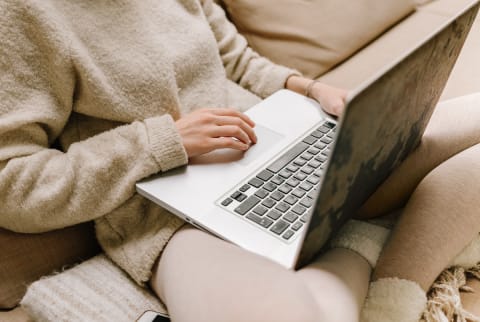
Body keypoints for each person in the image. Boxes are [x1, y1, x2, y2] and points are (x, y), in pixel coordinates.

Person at [1, 0, 480, 321]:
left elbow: (234, 59)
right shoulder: (23, 16)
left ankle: (368, 248)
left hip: (276, 147)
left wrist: (307, 88)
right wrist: (161, 141)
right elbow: (13, 183)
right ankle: (365, 246)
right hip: (167, 218)